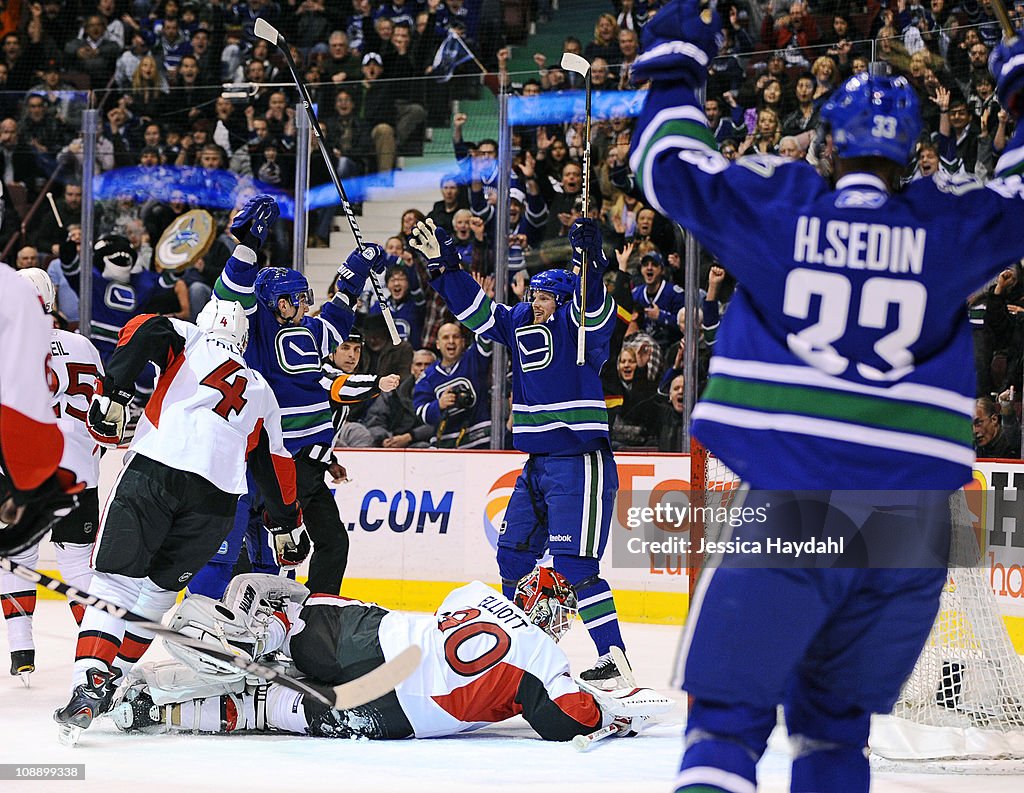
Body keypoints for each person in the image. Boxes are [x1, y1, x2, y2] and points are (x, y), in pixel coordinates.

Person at [628, 2, 1024, 791]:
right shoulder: (946, 225)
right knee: (836, 739)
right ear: (910, 152)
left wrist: (678, 62)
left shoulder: (784, 207)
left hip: (797, 507)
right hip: (910, 531)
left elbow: (664, 164)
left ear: (830, 144)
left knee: (725, 728)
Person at [54, 298, 302, 746]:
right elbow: (276, 465)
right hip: (217, 502)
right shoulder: (262, 389)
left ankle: (88, 682)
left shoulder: (193, 339)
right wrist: (287, 524)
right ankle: (114, 680)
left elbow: (144, 326)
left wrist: (114, 391)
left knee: (113, 583)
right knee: (156, 594)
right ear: (243, 341)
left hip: (158, 469)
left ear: (205, 323)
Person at [409, 217, 628, 684]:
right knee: (511, 555)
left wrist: (591, 260)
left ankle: (614, 660)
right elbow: (478, 312)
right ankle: (519, 650)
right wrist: (448, 267)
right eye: (531, 295)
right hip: (537, 463)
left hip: (579, 460)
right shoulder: (519, 323)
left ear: (563, 300)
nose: (533, 302)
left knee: (575, 565)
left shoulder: (580, 327)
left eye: (543, 296)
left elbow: (595, 306)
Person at [111, 570, 668, 741]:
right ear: (550, 613)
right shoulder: (544, 654)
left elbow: (453, 617)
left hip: (381, 640)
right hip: (396, 712)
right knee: (266, 709)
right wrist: (611, 715)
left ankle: (248, 633)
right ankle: (155, 712)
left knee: (291, 626)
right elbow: (564, 720)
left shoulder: (478, 593)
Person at [193, 194, 386, 599]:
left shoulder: (311, 331)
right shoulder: (258, 332)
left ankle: (298, 617)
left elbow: (337, 316)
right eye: (296, 298)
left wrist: (354, 273)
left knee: (295, 547)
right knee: (262, 544)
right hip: (270, 457)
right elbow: (233, 294)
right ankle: (232, 613)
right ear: (276, 302)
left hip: (308, 461)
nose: (304, 304)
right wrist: (246, 245)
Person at [2, 270, 101, 684]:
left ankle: (21, 649)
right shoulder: (84, 345)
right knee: (79, 567)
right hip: (81, 473)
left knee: (15, 560)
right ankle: (96, 657)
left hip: (27, 473)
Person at [0, 261, 83, 560]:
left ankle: (35, 495)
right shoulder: (77, 342)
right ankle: (37, 493)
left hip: (30, 449)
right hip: (55, 452)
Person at [413, 321, 492, 449]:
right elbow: (421, 412)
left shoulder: (474, 358)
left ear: (463, 341)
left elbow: (486, 337)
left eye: (455, 337)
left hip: (480, 438)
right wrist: (439, 405)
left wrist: (484, 306)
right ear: (438, 344)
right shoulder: (427, 377)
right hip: (444, 444)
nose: (451, 341)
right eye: (445, 337)